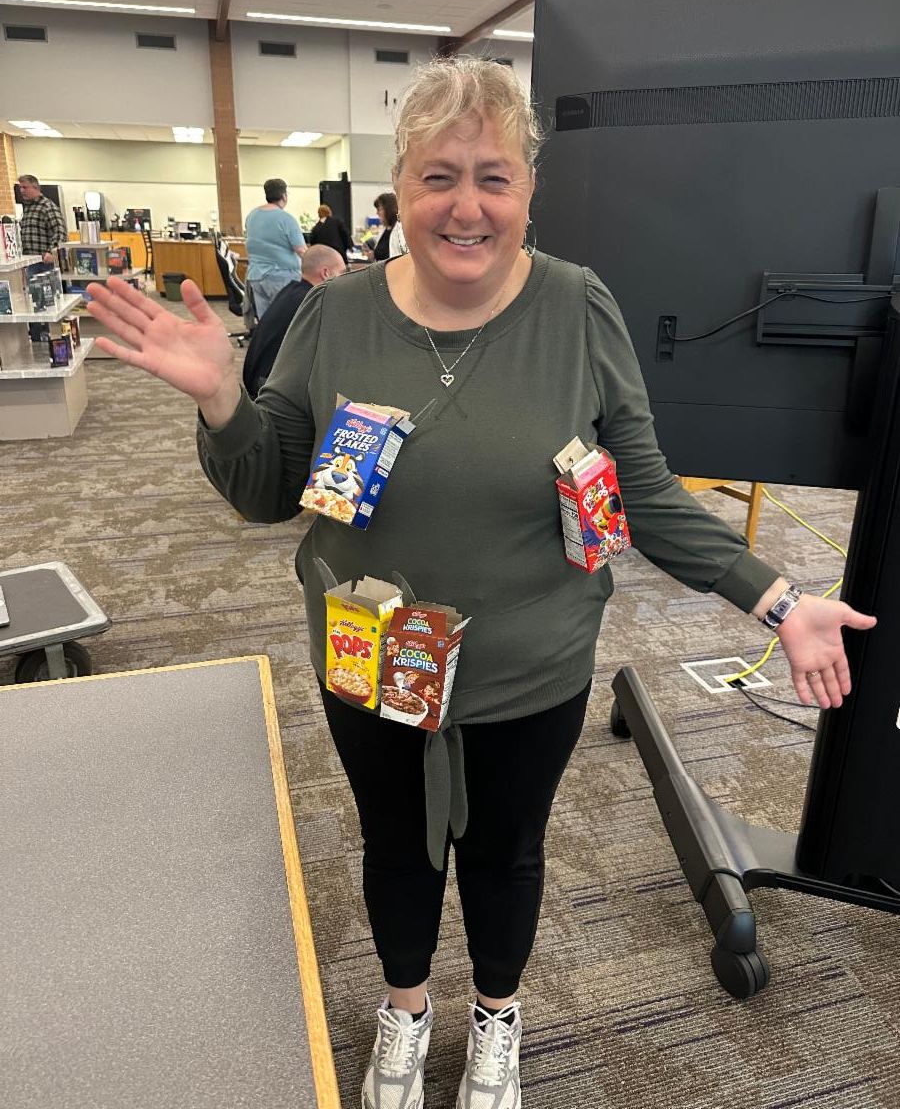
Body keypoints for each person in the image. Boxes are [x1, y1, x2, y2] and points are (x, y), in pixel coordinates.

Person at [85, 56, 876, 1109]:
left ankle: (497, 1015)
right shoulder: (335, 314)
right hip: (372, 662)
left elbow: (640, 492)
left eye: (494, 177)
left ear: (529, 190)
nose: (467, 206)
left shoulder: (578, 308)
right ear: (400, 190)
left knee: (507, 855)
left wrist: (778, 599)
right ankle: (406, 1011)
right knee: (394, 849)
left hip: (529, 667)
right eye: (439, 177)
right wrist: (225, 402)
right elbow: (270, 489)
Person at [242, 244, 344, 399]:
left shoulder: (292, 291)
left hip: (256, 376)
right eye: (342, 272)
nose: (344, 279)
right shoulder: (313, 303)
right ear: (326, 273)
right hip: (269, 388)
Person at [244, 178, 306, 320]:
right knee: (285, 321)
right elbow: (301, 250)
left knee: (266, 321)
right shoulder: (286, 219)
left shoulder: (252, 216)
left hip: (256, 276)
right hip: (282, 277)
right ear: (284, 196)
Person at [16, 174, 67, 262]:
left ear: (35, 187)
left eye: (25, 187)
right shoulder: (28, 208)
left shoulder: (47, 206)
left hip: (45, 262)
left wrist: (52, 252)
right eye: (20, 187)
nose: (21, 191)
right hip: (30, 261)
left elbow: (60, 232)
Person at [365, 191, 398, 261]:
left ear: (388, 210)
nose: (377, 213)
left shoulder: (398, 232)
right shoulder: (386, 230)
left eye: (379, 209)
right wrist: (374, 255)